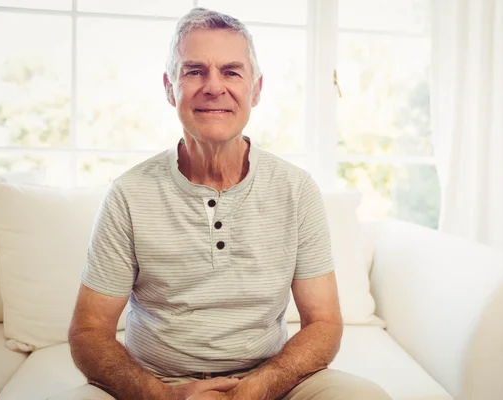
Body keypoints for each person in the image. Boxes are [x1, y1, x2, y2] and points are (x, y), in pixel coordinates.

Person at [51, 7, 391, 400]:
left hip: (272, 380)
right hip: (155, 386)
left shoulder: (296, 190)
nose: (213, 87)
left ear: (256, 89)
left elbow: (325, 323)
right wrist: (163, 395)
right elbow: (89, 331)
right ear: (169, 87)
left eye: (231, 72)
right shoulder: (128, 194)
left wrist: (258, 388)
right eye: (194, 71)